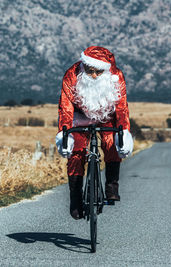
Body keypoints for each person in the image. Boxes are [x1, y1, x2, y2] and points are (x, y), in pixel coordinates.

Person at [55, 46, 134, 220]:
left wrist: (123, 132)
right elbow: (65, 106)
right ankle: (75, 200)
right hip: (80, 116)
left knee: (111, 142)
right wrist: (65, 132)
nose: (93, 76)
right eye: (90, 71)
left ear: (105, 69)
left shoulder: (116, 76)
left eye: (98, 72)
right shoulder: (72, 74)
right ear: (84, 66)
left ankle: (112, 186)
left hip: (107, 116)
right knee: (76, 152)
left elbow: (121, 107)